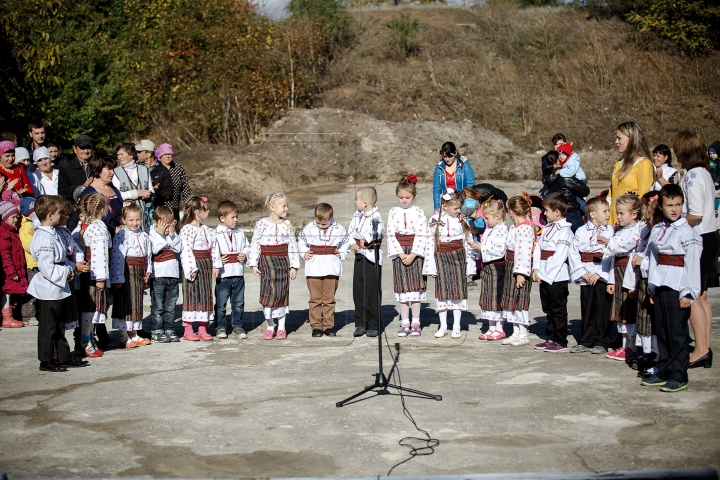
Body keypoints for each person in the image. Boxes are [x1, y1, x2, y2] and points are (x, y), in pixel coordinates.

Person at [641, 184, 702, 392]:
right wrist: (651, 287)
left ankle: (679, 373)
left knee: (677, 332)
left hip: (678, 287)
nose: (674, 209)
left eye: (678, 205)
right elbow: (653, 259)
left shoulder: (688, 233)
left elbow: (693, 265)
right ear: (662, 206)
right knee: (663, 330)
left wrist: (688, 292)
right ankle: (664, 368)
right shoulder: (658, 229)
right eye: (669, 205)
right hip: (661, 287)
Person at [675, 131, 718, 369]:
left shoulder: (692, 175)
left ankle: (700, 350)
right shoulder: (705, 173)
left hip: (698, 240)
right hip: (711, 237)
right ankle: (704, 346)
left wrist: (673, 226)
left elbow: (695, 214)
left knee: (691, 295)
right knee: (702, 296)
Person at [28, 196, 83, 371]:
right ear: (50, 215)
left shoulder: (52, 233)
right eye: (59, 213)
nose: (62, 216)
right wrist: (67, 272)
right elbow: (47, 268)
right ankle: (46, 360)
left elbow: (61, 259)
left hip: (59, 286)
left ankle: (62, 356)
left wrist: (72, 267)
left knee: (60, 324)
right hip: (49, 288)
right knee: (48, 326)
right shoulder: (44, 238)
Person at [423, 189, 476, 339]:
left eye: (459, 208)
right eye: (456, 208)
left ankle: (457, 326)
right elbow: (429, 243)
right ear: (445, 206)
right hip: (441, 257)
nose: (458, 211)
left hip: (458, 257)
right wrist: (430, 266)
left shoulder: (462, 219)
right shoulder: (434, 220)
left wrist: (470, 265)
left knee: (457, 293)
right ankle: (443, 325)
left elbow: (468, 243)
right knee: (442, 293)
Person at [248, 193, 300, 340]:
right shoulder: (261, 224)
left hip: (283, 262)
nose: (286, 208)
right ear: (272, 207)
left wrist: (294, 266)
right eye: (283, 206)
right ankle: (270, 326)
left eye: (286, 205)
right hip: (266, 262)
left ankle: (282, 327)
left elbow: (293, 245)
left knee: (281, 293)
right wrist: (253, 263)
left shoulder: (287, 225)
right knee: (268, 294)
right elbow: (255, 244)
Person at [568, 197, 614, 354]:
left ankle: (602, 340)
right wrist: (583, 272)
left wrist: (599, 273)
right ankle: (585, 339)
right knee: (586, 308)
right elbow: (573, 253)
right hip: (586, 275)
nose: (608, 214)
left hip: (602, 274)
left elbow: (610, 253)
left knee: (602, 308)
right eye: (605, 211)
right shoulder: (581, 231)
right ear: (593, 214)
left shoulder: (610, 231)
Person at [298, 203, 350, 337]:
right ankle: (316, 326)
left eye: (324, 224)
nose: (321, 226)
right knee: (315, 299)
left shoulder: (339, 229)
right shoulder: (309, 228)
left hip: (331, 267)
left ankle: (328, 325)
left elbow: (346, 242)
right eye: (319, 223)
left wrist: (342, 252)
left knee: (329, 299)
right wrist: (304, 252)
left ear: (331, 218)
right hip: (314, 267)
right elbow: (301, 241)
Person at [601, 194, 643, 361]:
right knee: (620, 309)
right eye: (617, 213)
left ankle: (631, 347)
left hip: (629, 273)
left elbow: (623, 246)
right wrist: (611, 280)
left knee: (629, 310)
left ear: (634, 214)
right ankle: (624, 345)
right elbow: (613, 259)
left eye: (621, 214)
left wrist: (608, 242)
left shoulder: (638, 230)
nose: (617, 217)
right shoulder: (621, 230)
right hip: (618, 273)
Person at [386, 175, 427, 338]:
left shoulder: (418, 212)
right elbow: (390, 233)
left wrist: (413, 254)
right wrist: (401, 253)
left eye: (407, 197)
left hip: (414, 253)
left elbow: (422, 233)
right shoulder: (393, 212)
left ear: (414, 196)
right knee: (403, 291)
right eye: (401, 197)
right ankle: (405, 323)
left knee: (415, 289)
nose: (404, 200)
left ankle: (416, 322)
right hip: (400, 253)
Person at [624, 191, 661, 371]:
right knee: (643, 317)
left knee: (652, 319)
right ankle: (645, 352)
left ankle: (655, 355)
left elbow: (655, 259)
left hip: (653, 280)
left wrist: (642, 261)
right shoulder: (646, 231)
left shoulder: (659, 234)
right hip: (642, 279)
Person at [532, 193, 572, 352]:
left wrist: (545, 274)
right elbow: (539, 249)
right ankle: (550, 336)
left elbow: (560, 256)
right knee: (548, 308)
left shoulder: (565, 230)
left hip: (556, 276)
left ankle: (560, 340)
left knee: (558, 309)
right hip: (543, 272)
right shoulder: (548, 228)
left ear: (557, 212)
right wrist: (536, 269)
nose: (544, 213)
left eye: (546, 210)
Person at [110, 204, 153, 348]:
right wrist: (117, 277)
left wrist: (147, 271)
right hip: (126, 272)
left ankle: (134, 334)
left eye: (138, 220)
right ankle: (123, 336)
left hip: (139, 273)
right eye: (131, 220)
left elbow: (148, 255)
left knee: (136, 303)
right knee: (125, 303)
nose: (135, 223)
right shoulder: (122, 235)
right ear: (123, 220)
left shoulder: (144, 235)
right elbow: (117, 257)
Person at [77, 193, 112, 357]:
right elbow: (99, 255)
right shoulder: (98, 229)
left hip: (90, 272)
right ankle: (86, 339)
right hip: (94, 273)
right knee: (91, 308)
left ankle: (90, 337)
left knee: (92, 308)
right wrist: (100, 278)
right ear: (102, 209)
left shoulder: (88, 226)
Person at [347, 186, 384, 338]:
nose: (355, 201)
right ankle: (360, 323)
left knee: (371, 291)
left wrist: (366, 240)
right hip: (360, 256)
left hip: (371, 257)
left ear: (365, 202)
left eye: (357, 199)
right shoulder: (358, 215)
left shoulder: (376, 217)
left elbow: (378, 232)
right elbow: (350, 231)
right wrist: (352, 243)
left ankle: (374, 324)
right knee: (359, 290)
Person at [499, 195, 536, 347]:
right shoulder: (514, 228)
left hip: (519, 268)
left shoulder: (526, 229)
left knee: (520, 300)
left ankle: (523, 333)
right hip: (510, 265)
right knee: (511, 300)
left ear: (511, 212)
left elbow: (524, 253)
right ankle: (515, 332)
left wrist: (521, 273)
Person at [212, 200, 251, 339]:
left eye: (236, 217)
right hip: (224, 276)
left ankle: (237, 326)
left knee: (238, 304)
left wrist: (245, 254)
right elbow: (213, 251)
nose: (236, 220)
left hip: (238, 274)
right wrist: (217, 262)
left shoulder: (240, 233)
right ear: (222, 218)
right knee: (221, 305)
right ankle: (220, 327)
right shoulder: (215, 234)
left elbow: (248, 246)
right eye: (232, 217)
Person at [179, 196, 216, 341]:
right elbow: (186, 250)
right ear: (198, 212)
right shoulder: (187, 229)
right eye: (205, 209)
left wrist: (216, 265)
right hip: (194, 265)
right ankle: (188, 329)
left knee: (205, 295)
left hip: (206, 266)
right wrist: (190, 269)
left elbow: (213, 248)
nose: (208, 211)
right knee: (192, 295)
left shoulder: (207, 230)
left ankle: (202, 328)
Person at [608, 122, 654, 225]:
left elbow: (643, 198)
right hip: (613, 221)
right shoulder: (619, 163)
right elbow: (611, 194)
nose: (616, 142)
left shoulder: (644, 164)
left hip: (630, 224)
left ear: (631, 139)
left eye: (619, 138)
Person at [148, 206, 182, 343]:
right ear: (156, 224)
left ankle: (169, 329)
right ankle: (156, 331)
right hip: (159, 276)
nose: (167, 230)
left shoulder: (171, 234)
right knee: (158, 306)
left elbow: (179, 247)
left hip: (173, 276)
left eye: (169, 227)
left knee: (171, 307)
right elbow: (155, 249)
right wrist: (161, 234)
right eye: (165, 227)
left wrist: (172, 234)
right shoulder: (151, 234)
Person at [476, 199, 508, 341]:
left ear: (498, 216)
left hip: (497, 267)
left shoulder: (503, 230)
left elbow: (499, 251)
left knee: (496, 296)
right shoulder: (489, 230)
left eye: (488, 218)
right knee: (488, 296)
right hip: (488, 266)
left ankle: (499, 328)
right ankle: (491, 327)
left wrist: (481, 248)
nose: (486, 221)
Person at [542, 150, 589, 232]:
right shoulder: (564, 176)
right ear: (558, 160)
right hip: (571, 211)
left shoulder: (547, 178)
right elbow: (585, 191)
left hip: (556, 213)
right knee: (578, 238)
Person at [112, 143, 154, 229]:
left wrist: (148, 194)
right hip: (127, 216)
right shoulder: (115, 172)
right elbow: (116, 195)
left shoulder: (144, 169)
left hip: (145, 215)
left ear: (131, 155)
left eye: (122, 154)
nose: (119, 157)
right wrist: (136, 193)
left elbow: (151, 188)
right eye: (118, 155)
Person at [80, 155, 124, 235]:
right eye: (108, 169)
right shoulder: (89, 193)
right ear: (98, 169)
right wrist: (113, 228)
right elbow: (91, 217)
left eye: (112, 169)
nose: (112, 172)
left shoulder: (114, 189)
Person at [0, 201, 28, 328]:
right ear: (5, 218)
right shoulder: (4, 234)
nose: (16, 220)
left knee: (11, 293)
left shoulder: (13, 232)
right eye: (13, 217)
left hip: (15, 269)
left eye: (17, 217)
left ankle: (10, 316)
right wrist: (11, 272)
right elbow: (5, 255)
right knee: (6, 293)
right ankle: (7, 318)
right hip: (8, 272)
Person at [58, 135, 95, 230]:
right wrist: (82, 188)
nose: (86, 151)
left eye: (88, 148)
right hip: (76, 215)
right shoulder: (66, 167)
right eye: (82, 148)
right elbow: (62, 191)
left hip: (96, 212)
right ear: (75, 149)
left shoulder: (97, 165)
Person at [135, 139, 174, 226]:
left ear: (149, 153)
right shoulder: (134, 169)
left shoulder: (163, 171)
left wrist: (156, 192)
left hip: (154, 214)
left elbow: (169, 194)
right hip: (137, 214)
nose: (137, 154)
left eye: (139, 152)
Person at [432, 142, 475, 212]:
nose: (447, 159)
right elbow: (437, 190)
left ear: (455, 153)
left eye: (450, 156)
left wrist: (467, 206)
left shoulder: (465, 165)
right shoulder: (439, 168)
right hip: (446, 205)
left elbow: (470, 186)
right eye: (445, 157)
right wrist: (437, 209)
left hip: (462, 204)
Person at [155, 143, 191, 224]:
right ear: (160, 156)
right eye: (165, 154)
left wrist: (187, 203)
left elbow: (185, 187)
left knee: (173, 229)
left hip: (175, 207)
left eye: (169, 154)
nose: (168, 156)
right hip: (160, 207)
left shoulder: (178, 168)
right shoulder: (156, 169)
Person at [19, 197, 39, 326]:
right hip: (32, 264)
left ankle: (37, 313)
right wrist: (40, 250)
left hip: (39, 262)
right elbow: (28, 245)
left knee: (38, 291)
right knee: (31, 291)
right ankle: (28, 316)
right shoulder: (26, 226)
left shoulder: (36, 223)